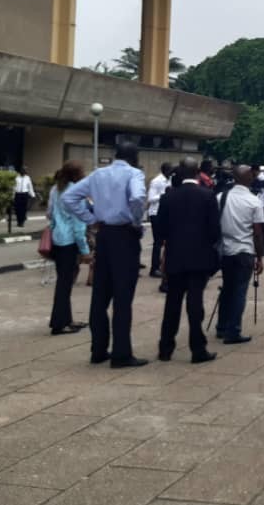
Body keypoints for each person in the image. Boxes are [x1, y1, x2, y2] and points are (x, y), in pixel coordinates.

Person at [62, 142, 148, 367]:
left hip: (105, 235)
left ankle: (98, 350)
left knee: (100, 296)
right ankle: (121, 353)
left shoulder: (98, 174)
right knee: (123, 298)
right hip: (125, 235)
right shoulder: (134, 173)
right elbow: (138, 198)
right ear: (134, 157)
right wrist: (136, 221)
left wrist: (91, 219)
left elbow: (69, 198)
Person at [156, 158, 219, 364]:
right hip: (199, 257)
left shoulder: (168, 198)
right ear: (197, 173)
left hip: (175, 257)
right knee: (195, 303)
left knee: (172, 303)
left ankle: (165, 348)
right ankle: (197, 349)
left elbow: (160, 231)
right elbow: (215, 231)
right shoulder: (208, 196)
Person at [217, 164, 264, 345]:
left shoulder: (221, 197)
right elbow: (258, 232)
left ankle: (221, 326)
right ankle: (233, 330)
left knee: (227, 288)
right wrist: (260, 256)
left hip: (225, 251)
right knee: (239, 291)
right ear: (250, 179)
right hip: (244, 250)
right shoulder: (254, 201)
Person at [47, 162, 90, 334]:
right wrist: (85, 251)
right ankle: (59, 324)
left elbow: (49, 213)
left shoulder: (55, 189)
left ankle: (67, 320)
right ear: (76, 175)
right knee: (65, 284)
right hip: (70, 242)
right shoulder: (76, 193)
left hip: (57, 239)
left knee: (64, 282)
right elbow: (79, 226)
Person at [147, 162, 172, 278]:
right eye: (170, 170)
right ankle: (154, 268)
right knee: (158, 242)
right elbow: (151, 198)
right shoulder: (156, 181)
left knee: (165, 241)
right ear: (164, 170)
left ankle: (163, 266)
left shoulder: (169, 180)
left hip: (165, 213)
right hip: (155, 213)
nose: (171, 172)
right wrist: (163, 195)